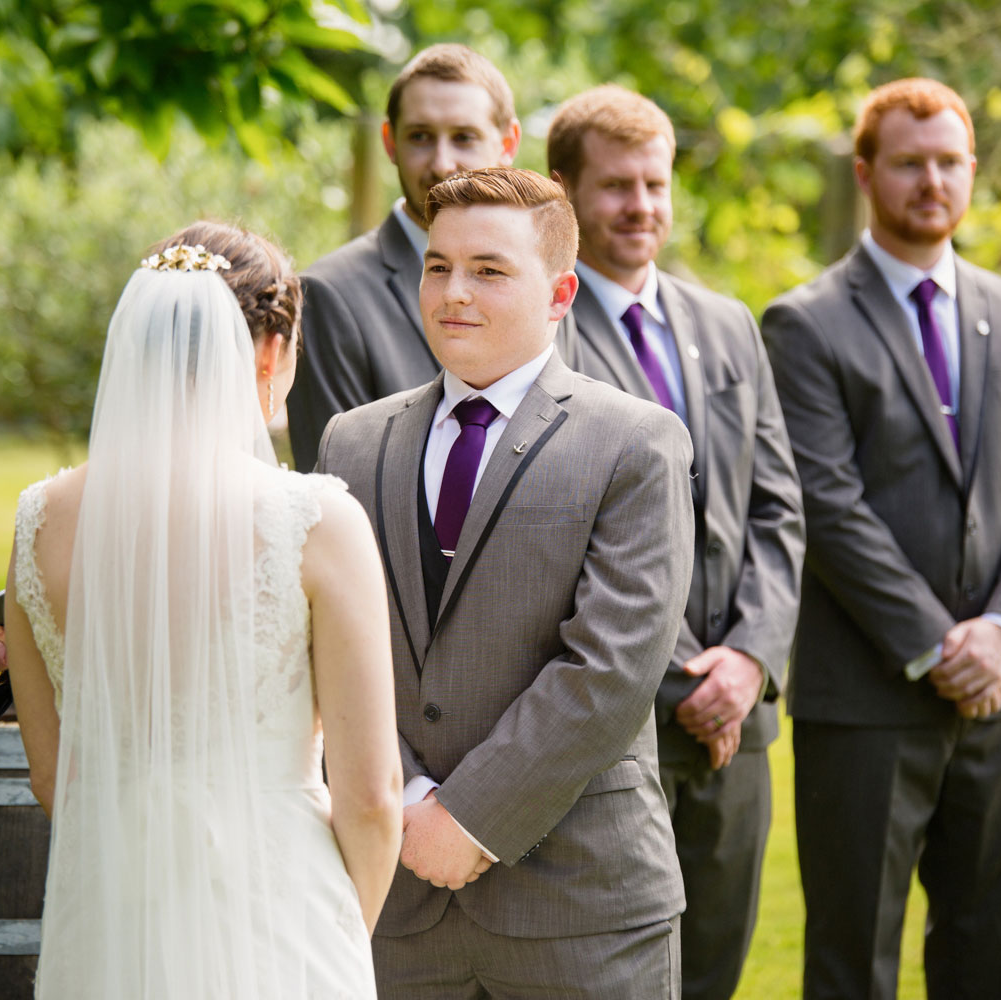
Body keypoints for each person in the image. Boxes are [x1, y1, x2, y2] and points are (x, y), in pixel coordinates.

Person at [318, 166, 694, 998]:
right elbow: (329, 650)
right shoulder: (352, 443)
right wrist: (408, 796)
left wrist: (471, 818)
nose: (454, 291)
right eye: (437, 265)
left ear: (560, 293)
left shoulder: (636, 444)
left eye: (489, 270)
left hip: (580, 904)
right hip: (397, 901)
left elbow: (612, 668)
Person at [2, 222, 403, 998]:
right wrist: (344, 936)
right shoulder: (315, 521)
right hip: (281, 917)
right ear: (268, 350)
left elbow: (56, 778)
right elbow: (373, 795)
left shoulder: (40, 520)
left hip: (110, 918)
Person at [760, 79, 1001, 1000]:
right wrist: (938, 643)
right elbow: (828, 501)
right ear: (866, 173)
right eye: (909, 162)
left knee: (989, 947)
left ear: (971, 171)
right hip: (865, 698)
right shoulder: (805, 322)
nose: (931, 180)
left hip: (998, 694)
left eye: (949, 162)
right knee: (854, 958)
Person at [547, 85, 805, 1000]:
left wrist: (749, 662)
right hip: (623, 724)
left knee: (721, 967)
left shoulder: (728, 323)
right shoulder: (543, 339)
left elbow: (778, 508)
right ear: (564, 190)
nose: (641, 206)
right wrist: (686, 675)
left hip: (741, 718)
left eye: (655, 184)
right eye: (617, 186)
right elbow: (566, 539)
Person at [286, 43, 521, 469]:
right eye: (420, 137)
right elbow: (335, 488)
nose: (443, 163)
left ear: (508, 143)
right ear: (390, 143)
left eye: (464, 137)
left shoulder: (544, 280)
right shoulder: (329, 295)